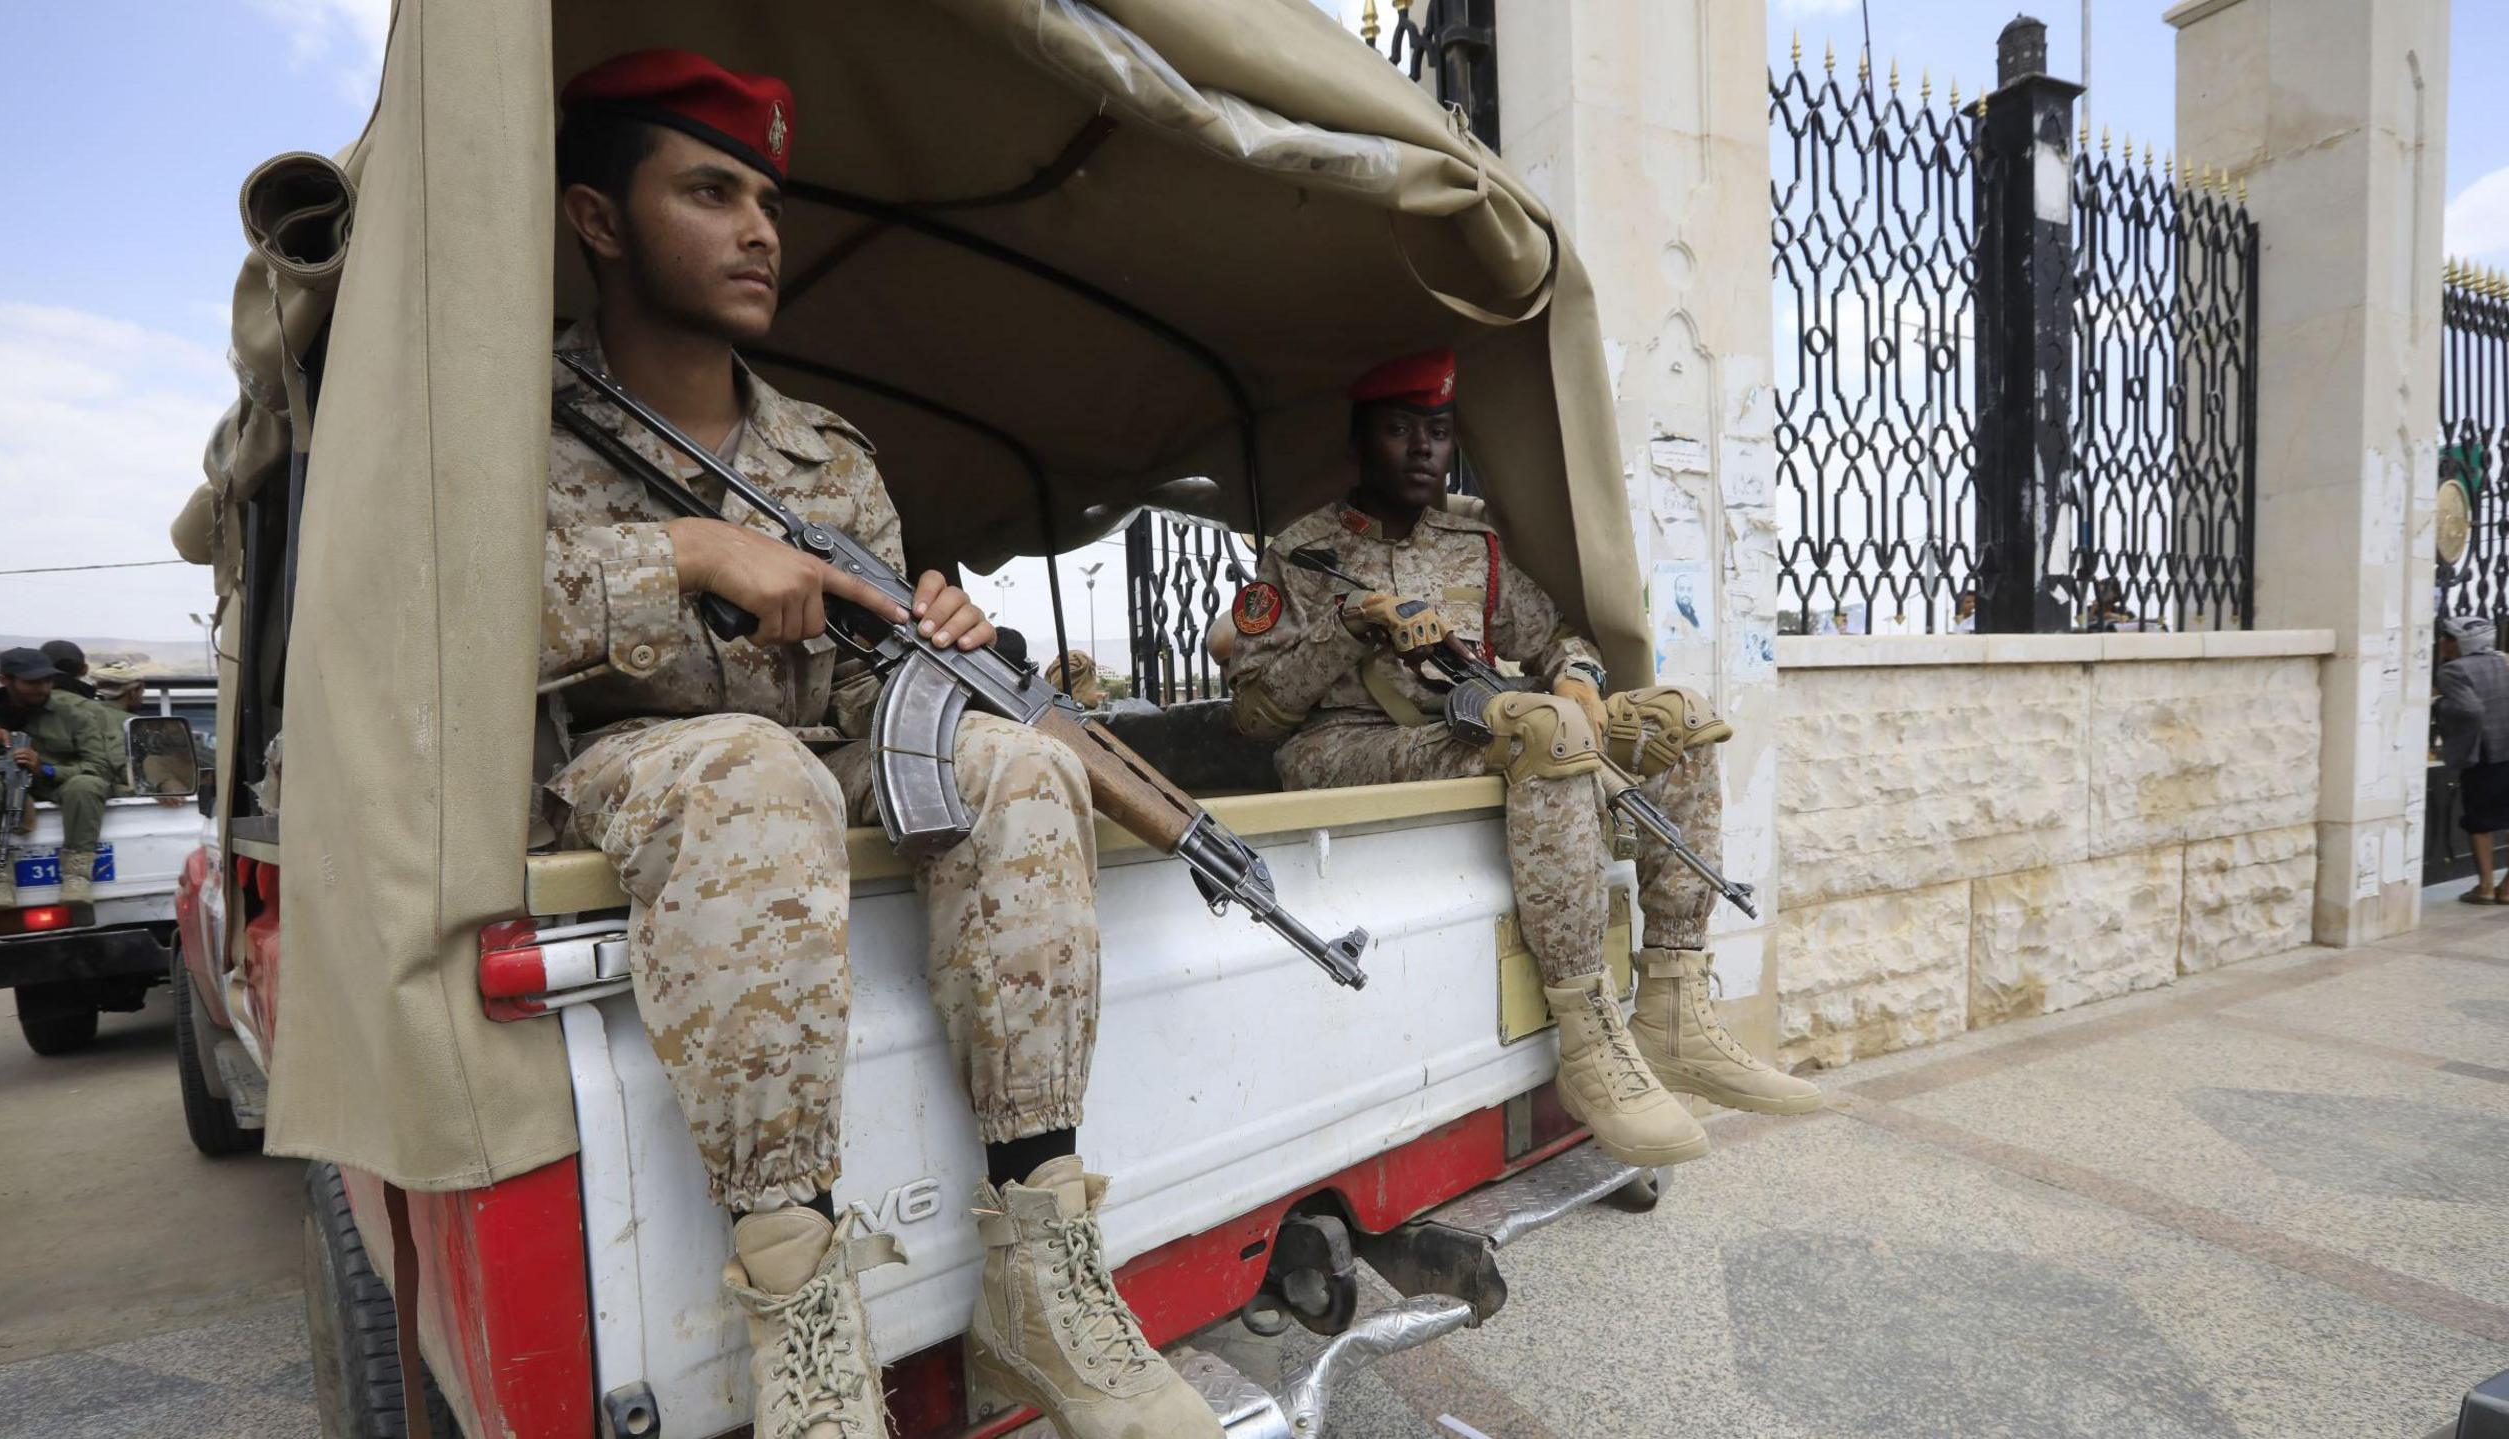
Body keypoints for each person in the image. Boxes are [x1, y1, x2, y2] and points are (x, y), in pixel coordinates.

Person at [539, 52, 1213, 1439]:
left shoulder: (829, 459)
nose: (759, 230)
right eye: (710, 191)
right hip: (622, 775)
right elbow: (440, 624)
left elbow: (867, 707)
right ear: (598, 220)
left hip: (811, 761)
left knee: (1020, 762)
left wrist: (940, 646)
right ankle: (800, 1311)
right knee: (747, 762)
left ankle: (1039, 1257)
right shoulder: (509, 423)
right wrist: (685, 550)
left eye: (768, 201)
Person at [1225, 350, 1821, 1173]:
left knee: (1672, 721)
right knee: (1541, 734)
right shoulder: (1300, 554)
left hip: (1462, 727)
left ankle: (1675, 1000)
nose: (1423, 450)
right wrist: (1349, 629)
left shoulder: (1475, 545)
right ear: (1360, 440)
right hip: (1339, 747)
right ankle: (1587, 1036)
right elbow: (1256, 714)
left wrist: (1577, 678)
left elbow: (1557, 638)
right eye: (1400, 430)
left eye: (1437, 431)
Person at [0, 647, 124, 908]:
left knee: (86, 784)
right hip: (4, 789)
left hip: (59, 785)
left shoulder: (74, 716)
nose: (42, 688)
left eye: (47, 681)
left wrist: (46, 769)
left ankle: (77, 875)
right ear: (5, 680)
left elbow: (99, 767)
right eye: (32, 682)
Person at [2436, 614, 2509, 905]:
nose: (2442, 643)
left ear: (2461, 643)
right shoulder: (2503, 662)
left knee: (2480, 820)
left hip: (2485, 755)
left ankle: (2486, 887)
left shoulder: (2453, 671)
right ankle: (2507, 889)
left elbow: (2470, 711)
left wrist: (2440, 705)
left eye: (2448, 638)